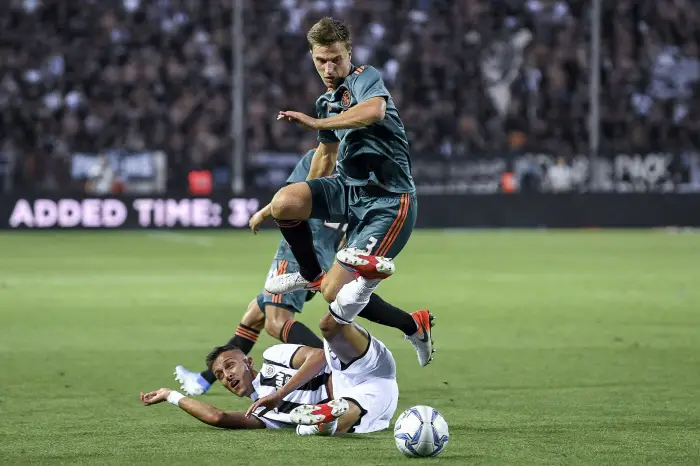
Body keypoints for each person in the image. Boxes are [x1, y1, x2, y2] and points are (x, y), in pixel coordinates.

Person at [175, 150, 434, 396]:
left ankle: (330, 368)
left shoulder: (316, 158)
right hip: (325, 249)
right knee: (256, 312)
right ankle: (203, 380)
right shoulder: (362, 168)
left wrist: (263, 213)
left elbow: (289, 198)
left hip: (297, 251)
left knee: (276, 321)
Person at [265, 18, 428, 358]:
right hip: (348, 191)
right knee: (284, 203)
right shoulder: (326, 101)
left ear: (349, 53)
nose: (328, 67)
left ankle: (413, 326)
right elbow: (324, 157)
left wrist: (317, 123)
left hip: (388, 202)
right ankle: (308, 273)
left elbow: (375, 110)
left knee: (334, 292)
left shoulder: (364, 78)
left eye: (335, 58)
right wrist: (304, 215)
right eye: (320, 60)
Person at [142, 320, 399, 436]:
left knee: (331, 325)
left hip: (353, 368)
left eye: (230, 366)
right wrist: (170, 395)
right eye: (219, 375)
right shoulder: (263, 416)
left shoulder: (273, 356)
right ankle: (326, 418)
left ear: (248, 362)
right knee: (346, 411)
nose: (227, 375)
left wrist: (280, 394)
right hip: (371, 397)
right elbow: (217, 417)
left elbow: (319, 356)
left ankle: (360, 290)